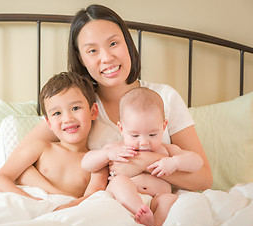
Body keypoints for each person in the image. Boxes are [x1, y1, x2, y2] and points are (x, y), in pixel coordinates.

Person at [14, 4, 212, 201]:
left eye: (113, 44)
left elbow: (204, 179)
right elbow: (14, 166)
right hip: (107, 207)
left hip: (165, 204)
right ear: (81, 58)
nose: (107, 58)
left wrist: (145, 161)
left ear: (127, 43)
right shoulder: (78, 107)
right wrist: (64, 199)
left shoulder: (165, 97)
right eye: (92, 51)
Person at [81, 87, 204, 226]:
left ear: (163, 126)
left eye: (152, 135)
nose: (144, 142)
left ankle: (154, 225)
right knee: (120, 182)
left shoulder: (166, 150)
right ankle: (139, 209)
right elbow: (86, 163)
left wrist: (175, 162)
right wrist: (106, 155)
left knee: (170, 199)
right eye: (134, 135)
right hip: (127, 201)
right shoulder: (116, 148)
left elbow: (197, 161)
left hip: (158, 199)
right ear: (121, 128)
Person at [0, 72, 107, 210]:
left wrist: (64, 208)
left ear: (93, 111)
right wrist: (31, 201)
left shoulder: (96, 161)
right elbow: (0, 178)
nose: (68, 119)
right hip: (30, 205)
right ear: (49, 123)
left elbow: (93, 197)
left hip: (68, 212)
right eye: (57, 113)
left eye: (75, 108)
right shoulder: (41, 148)